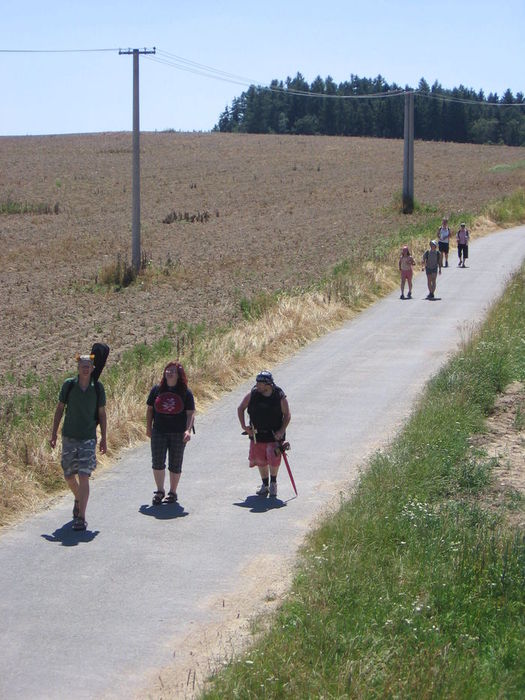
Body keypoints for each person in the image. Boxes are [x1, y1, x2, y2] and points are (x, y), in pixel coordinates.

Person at [50, 354, 107, 531]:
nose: (85, 368)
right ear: (78, 368)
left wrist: (104, 438)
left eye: (88, 365)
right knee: (68, 476)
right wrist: (53, 433)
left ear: (92, 368)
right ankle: (78, 498)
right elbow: (59, 409)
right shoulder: (69, 385)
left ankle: (81, 517)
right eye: (82, 365)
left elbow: (102, 414)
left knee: (83, 475)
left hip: (88, 438)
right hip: (69, 436)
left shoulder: (97, 388)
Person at [146, 361, 195, 505]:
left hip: (178, 433)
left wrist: (188, 430)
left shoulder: (186, 392)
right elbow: (150, 410)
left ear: (179, 375)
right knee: (157, 462)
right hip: (159, 431)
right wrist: (148, 428)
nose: (169, 373)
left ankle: (172, 492)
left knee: (175, 463)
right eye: (168, 370)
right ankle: (160, 491)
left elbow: (190, 414)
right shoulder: (156, 390)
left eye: (173, 371)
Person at [237, 370, 291, 497]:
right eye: (256, 382)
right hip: (257, 435)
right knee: (260, 460)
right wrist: (244, 426)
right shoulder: (253, 394)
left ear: (268, 384)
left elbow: (287, 415)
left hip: (274, 435)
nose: (257, 385)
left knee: (273, 459)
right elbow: (240, 408)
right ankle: (265, 485)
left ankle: (273, 483)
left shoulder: (279, 396)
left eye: (259, 383)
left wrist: (281, 430)